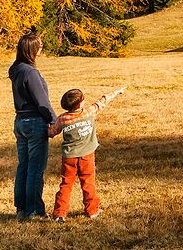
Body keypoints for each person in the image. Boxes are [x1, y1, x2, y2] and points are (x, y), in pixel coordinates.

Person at [49, 85, 126, 222]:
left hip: (69, 158)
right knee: (88, 182)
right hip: (87, 156)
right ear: (81, 102)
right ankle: (92, 210)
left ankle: (60, 214)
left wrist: (45, 128)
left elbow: (52, 132)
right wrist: (117, 92)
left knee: (66, 184)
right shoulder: (89, 112)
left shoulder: (62, 119)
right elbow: (102, 101)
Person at [8, 34, 56, 220]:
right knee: (35, 168)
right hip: (35, 122)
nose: (41, 49)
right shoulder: (30, 73)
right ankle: (34, 210)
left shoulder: (16, 70)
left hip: (20, 122)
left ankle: (21, 208)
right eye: (39, 47)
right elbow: (41, 101)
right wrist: (53, 120)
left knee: (24, 166)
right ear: (32, 50)